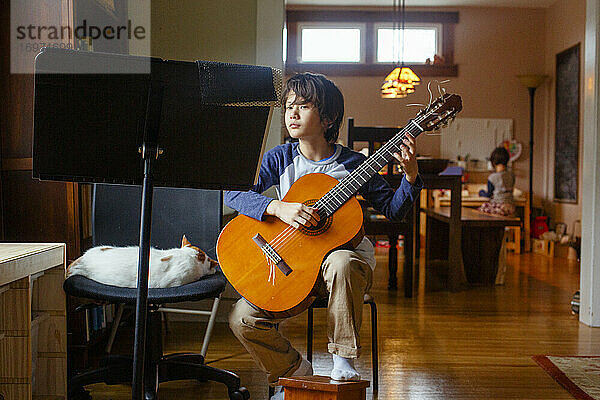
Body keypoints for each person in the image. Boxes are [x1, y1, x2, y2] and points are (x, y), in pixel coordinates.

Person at [225, 72, 423, 399]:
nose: (292, 113)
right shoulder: (280, 158)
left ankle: (342, 364)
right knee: (241, 317)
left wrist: (411, 176)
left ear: (328, 117)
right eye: (289, 106)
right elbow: (234, 193)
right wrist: (277, 207)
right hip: (294, 269)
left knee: (341, 260)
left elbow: (394, 210)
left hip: (344, 272)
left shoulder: (354, 165)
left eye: (303, 106)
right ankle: (294, 374)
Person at [477, 146, 515, 216]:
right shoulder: (511, 175)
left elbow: (489, 195)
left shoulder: (492, 177)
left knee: (479, 211)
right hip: (511, 207)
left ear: (493, 162)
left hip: (499, 208)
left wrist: (481, 192)